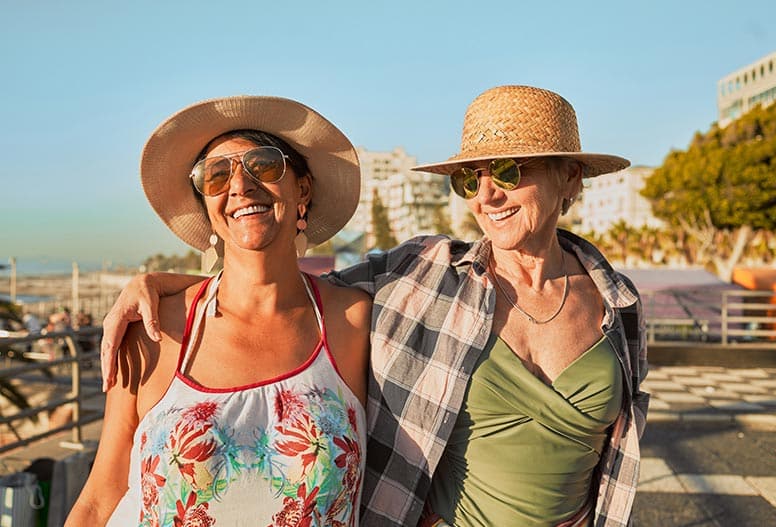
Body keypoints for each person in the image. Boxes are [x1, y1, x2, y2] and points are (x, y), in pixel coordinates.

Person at [100, 85, 649, 526]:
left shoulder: (617, 304)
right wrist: (162, 283)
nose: (487, 195)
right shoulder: (425, 274)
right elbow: (275, 284)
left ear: (570, 176)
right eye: (469, 179)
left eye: (508, 172)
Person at [67, 96, 371, 525]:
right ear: (208, 207)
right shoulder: (152, 333)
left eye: (263, 166)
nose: (240, 186)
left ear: (302, 188)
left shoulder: (355, 322)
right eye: (216, 175)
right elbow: (100, 499)